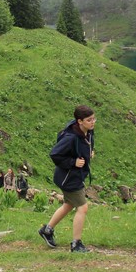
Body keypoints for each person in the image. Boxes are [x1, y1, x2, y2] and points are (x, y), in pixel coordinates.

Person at [39, 105, 96, 253]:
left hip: (74, 176)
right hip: (69, 178)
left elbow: (88, 141)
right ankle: (76, 244)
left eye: (93, 119)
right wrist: (73, 162)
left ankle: (47, 230)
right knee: (83, 207)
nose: (93, 122)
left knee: (69, 205)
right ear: (79, 121)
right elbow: (55, 154)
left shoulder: (87, 131)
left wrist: (90, 151)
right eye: (89, 120)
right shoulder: (71, 138)